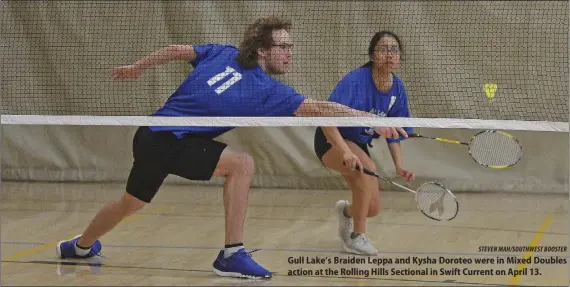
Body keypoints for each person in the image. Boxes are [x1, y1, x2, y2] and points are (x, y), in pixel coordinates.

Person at [54, 17, 407, 279]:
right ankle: (231, 254)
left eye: (290, 47)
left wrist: (139, 67)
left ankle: (79, 247)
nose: (288, 53)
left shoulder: (232, 60)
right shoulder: (257, 81)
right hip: (166, 138)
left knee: (131, 203)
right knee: (241, 164)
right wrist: (367, 117)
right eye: (282, 47)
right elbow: (319, 108)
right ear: (261, 49)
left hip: (154, 136)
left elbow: (179, 51)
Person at [313, 31, 415, 256]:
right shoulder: (356, 81)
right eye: (383, 49)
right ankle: (356, 237)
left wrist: (398, 166)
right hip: (331, 138)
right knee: (367, 169)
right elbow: (326, 118)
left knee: (372, 208)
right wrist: (345, 152)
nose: (389, 54)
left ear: (399, 57)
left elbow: (394, 131)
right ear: (372, 54)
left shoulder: (397, 89)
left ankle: (346, 213)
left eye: (394, 50)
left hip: (358, 143)